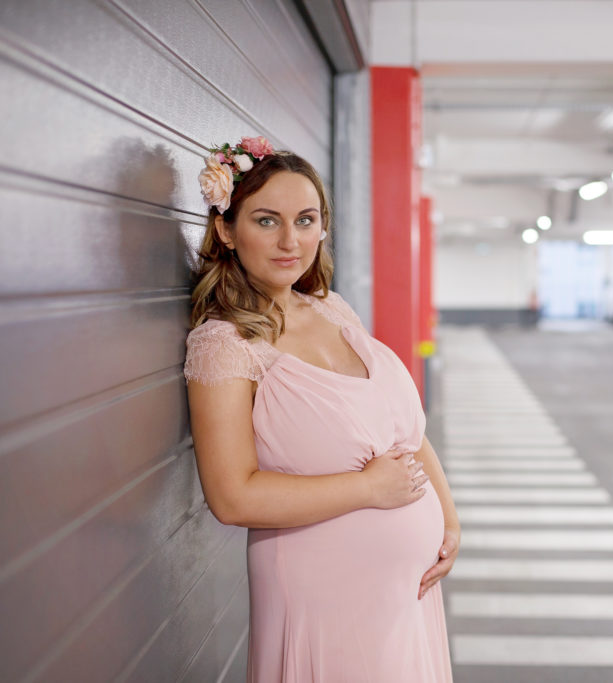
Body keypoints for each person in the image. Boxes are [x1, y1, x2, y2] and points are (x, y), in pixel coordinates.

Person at [183, 135, 459, 683]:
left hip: (405, 596)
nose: (291, 240)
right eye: (266, 221)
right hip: (323, 591)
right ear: (225, 229)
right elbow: (232, 496)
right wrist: (368, 490)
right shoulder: (224, 344)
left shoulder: (332, 309)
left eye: (306, 219)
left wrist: (447, 521)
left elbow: (405, 433)